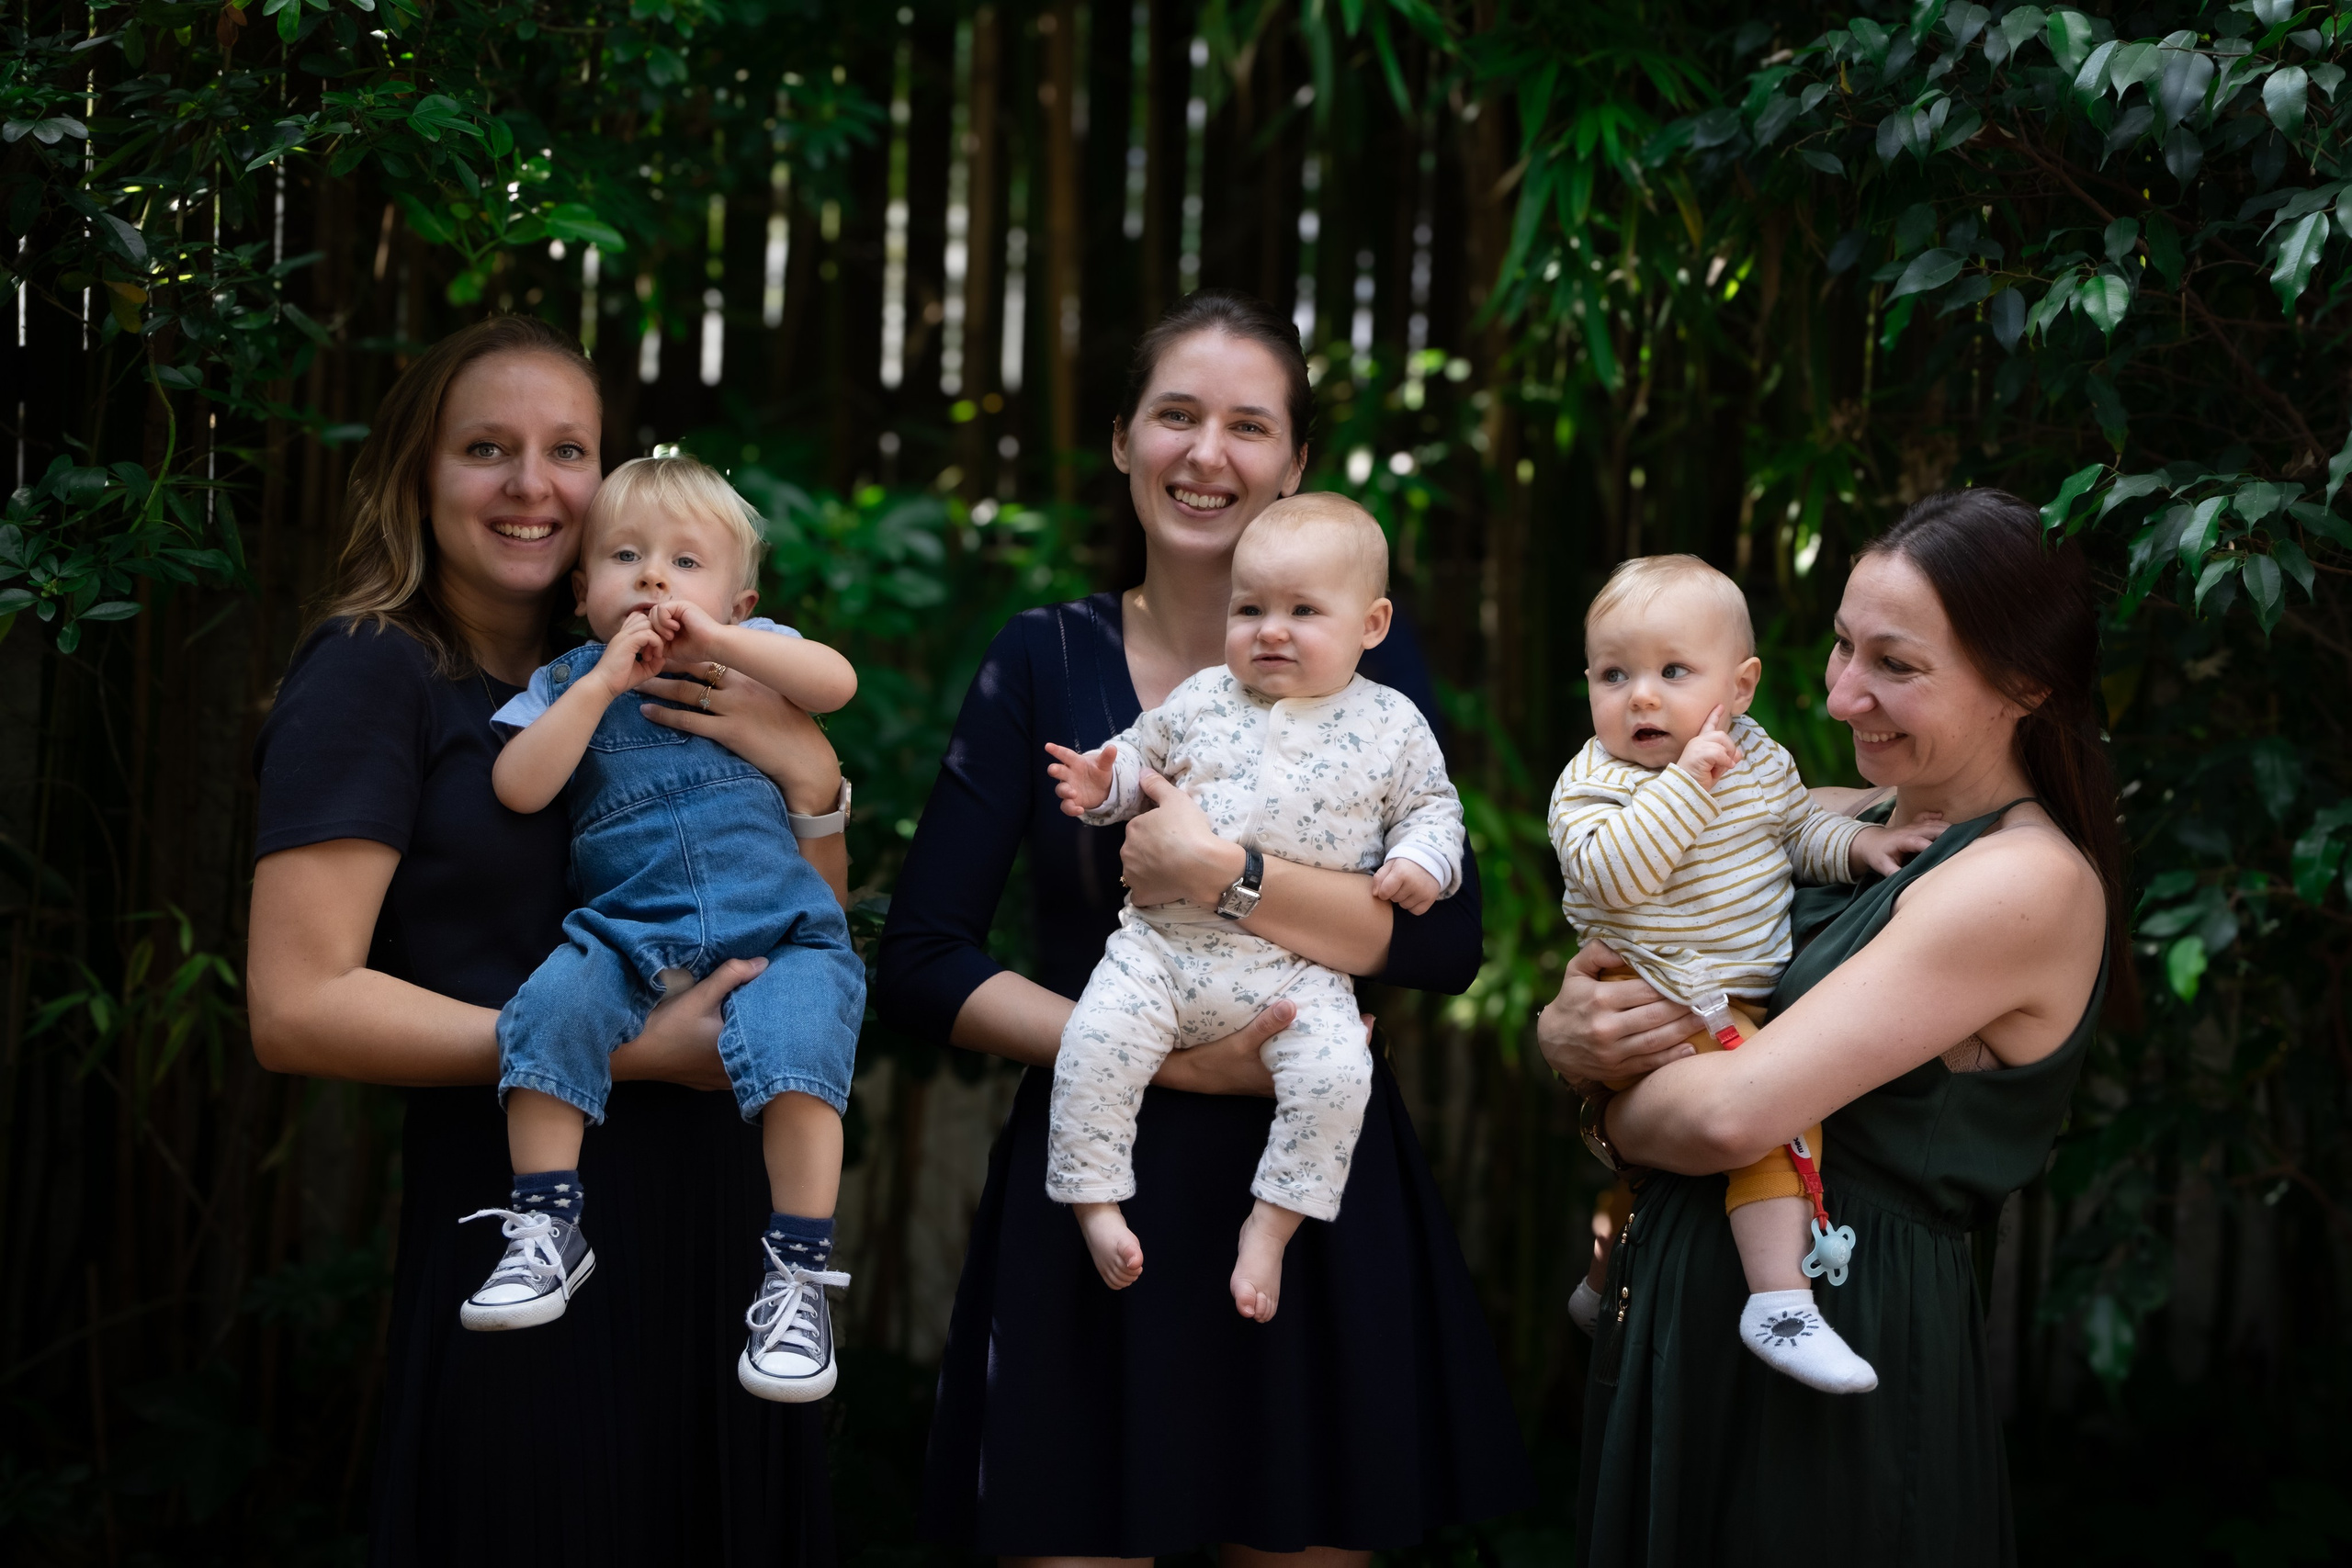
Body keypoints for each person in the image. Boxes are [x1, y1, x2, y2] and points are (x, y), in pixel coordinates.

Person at [879, 288, 1533, 1564]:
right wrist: (1152, 1051)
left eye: (1248, 425)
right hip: (1098, 1169)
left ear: (1293, 463)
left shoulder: (1372, 676)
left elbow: (1446, 944)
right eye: (1175, 415)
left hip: (1309, 1176)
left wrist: (1221, 871)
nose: (1206, 452)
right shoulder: (1043, 656)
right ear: (1123, 438)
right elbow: (920, 960)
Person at [247, 317, 842, 1563]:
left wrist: (808, 768)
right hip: (530, 1224)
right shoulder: (379, 672)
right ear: (420, 471)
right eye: (485, 447)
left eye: (566, 448)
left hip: (730, 1217)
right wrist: (622, 1053)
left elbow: (804, 907)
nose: (532, 484)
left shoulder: (668, 667)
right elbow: (296, 1004)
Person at [1538, 490, 2123, 1567]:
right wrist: (1569, 1026)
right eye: (1844, 648)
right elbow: (1636, 945)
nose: (1846, 694)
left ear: (2026, 684)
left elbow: (1726, 1117)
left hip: (1851, 1331)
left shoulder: (2021, 882)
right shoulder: (1831, 819)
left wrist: (1596, 1088)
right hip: (1687, 1311)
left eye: (1895, 666)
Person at [463, 454, 865, 1404]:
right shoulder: (566, 681)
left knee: (805, 1048)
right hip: (625, 929)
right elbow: (518, 786)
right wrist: (600, 685)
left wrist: (731, 639)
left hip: (779, 931)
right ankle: (546, 1225)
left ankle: (798, 1271)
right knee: (546, 1007)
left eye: (686, 562)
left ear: (741, 595)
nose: (653, 578)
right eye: (626, 557)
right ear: (580, 591)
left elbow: (836, 682)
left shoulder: (751, 655)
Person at [1043, 493, 1464, 1322]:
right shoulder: (1202, 696)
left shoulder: (1392, 723)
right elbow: (1138, 756)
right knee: (1094, 1039)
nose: (1270, 629)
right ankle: (1093, 1200)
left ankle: (1270, 1225)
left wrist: (1422, 860)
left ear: (1371, 624)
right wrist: (1105, 786)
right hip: (1162, 951)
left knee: (1342, 1074)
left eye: (1303, 611)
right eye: (1250, 608)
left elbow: (1434, 810)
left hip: (1296, 971)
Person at [1548, 554, 1941, 1393]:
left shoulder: (1759, 758)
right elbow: (1615, 875)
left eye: (1673, 671)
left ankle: (1597, 1280)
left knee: (1661, 1166)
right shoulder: (1593, 783)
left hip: (1733, 989)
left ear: (1742, 685)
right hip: (1657, 987)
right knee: (1775, 1124)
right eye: (1614, 674)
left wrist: (1863, 845)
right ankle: (1780, 1298)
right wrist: (1689, 783)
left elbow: (1798, 831)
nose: (1641, 696)